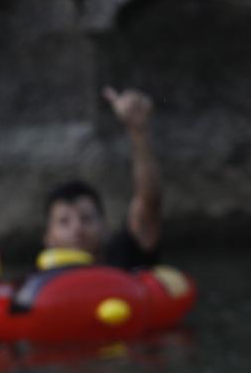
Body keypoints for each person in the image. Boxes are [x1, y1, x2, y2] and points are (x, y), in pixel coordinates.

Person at [40, 87, 161, 269]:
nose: (77, 229)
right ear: (48, 237)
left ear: (105, 229)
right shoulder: (34, 287)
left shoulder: (122, 259)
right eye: (64, 221)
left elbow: (149, 202)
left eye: (86, 218)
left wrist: (138, 132)